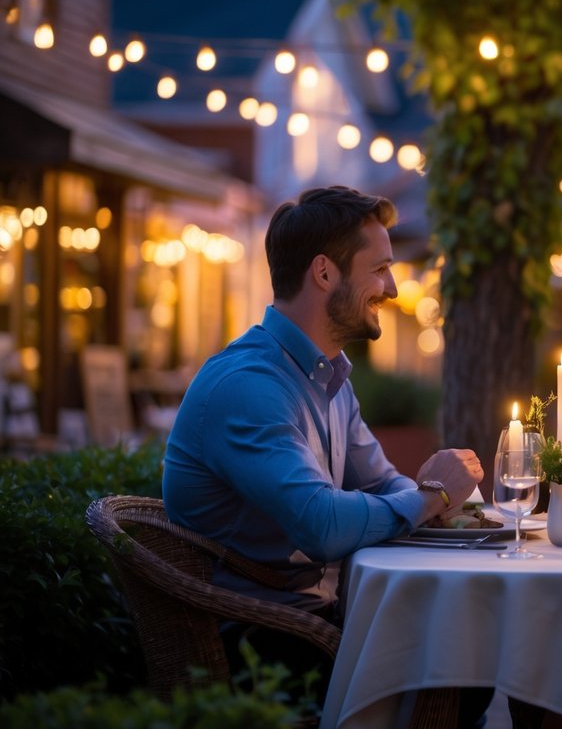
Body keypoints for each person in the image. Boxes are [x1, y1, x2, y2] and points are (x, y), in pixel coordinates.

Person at [162, 185, 489, 724]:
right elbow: (319, 524)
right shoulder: (250, 385)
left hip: (316, 621)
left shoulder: (329, 376)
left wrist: (449, 505)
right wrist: (432, 497)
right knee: (463, 666)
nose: (390, 287)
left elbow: (384, 482)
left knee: (479, 655)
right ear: (324, 273)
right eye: (380, 269)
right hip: (258, 644)